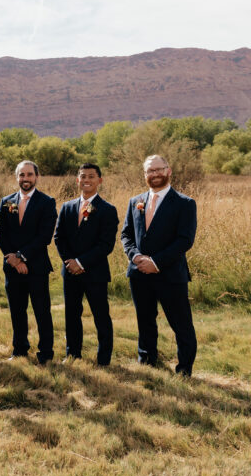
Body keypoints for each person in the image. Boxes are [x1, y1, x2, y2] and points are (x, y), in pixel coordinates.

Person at [120, 155, 198, 376]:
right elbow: (126, 235)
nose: (154, 174)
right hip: (139, 273)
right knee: (145, 320)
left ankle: (184, 369)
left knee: (181, 324)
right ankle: (147, 361)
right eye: (149, 171)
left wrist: (156, 262)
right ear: (145, 175)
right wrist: (135, 257)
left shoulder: (185, 203)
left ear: (169, 170)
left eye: (158, 169)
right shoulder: (135, 201)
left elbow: (185, 240)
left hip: (170, 273)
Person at [53, 163, 118, 366]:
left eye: (91, 176)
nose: (86, 180)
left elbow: (106, 244)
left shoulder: (108, 210)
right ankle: (73, 354)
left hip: (95, 272)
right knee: (71, 314)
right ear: (77, 180)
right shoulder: (67, 207)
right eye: (83, 176)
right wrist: (70, 262)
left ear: (100, 180)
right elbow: (58, 237)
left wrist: (81, 262)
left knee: (101, 315)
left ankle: (104, 358)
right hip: (70, 272)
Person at [0, 160, 57, 364]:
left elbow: (44, 236)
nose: (25, 179)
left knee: (42, 311)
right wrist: (12, 259)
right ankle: (19, 350)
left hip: (36, 267)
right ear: (17, 177)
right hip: (12, 268)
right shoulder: (7, 201)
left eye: (29, 175)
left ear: (36, 177)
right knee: (17, 311)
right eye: (22, 175)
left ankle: (46, 354)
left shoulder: (47, 202)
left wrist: (21, 256)